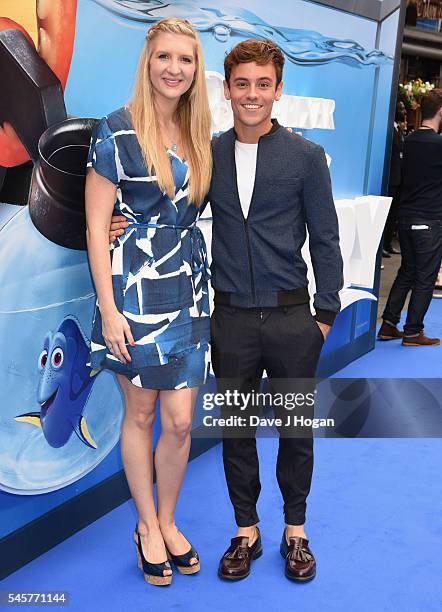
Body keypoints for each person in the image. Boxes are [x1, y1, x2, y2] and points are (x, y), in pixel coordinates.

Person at [110, 38, 343, 583]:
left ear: (278, 90)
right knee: (236, 431)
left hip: (292, 320)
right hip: (231, 319)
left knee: (294, 431)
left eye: (264, 84)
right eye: (243, 84)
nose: (253, 94)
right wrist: (118, 224)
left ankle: (295, 530)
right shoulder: (206, 153)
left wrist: (324, 315)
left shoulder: (306, 158)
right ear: (228, 89)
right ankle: (246, 531)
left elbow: (327, 240)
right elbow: (164, 207)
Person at [85, 18, 212, 586]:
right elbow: (94, 229)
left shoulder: (199, 130)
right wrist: (109, 311)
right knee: (140, 413)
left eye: (184, 59)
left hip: (188, 288)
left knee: (181, 422)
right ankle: (146, 525)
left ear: (195, 69)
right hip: (132, 290)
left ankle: (167, 517)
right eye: (164, 56)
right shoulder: (114, 131)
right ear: (148, 61)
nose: (174, 68)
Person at [378, 89, 442, 346]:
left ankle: (388, 325)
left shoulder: (410, 139)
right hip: (429, 218)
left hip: (405, 216)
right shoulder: (438, 145)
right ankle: (414, 331)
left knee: (408, 271)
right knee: (425, 276)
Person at [383, 106, 406, 257]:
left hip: (397, 178)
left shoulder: (398, 129)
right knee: (387, 213)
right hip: (391, 178)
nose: (404, 114)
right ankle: (383, 244)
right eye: (402, 110)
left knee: (393, 213)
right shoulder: (389, 129)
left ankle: (388, 243)